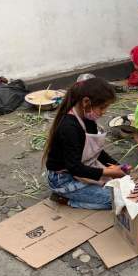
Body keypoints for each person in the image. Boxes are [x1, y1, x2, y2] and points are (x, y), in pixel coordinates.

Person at [44, 77, 125, 210]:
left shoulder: (88, 119)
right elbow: (74, 167)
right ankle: (65, 199)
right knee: (116, 200)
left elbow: (96, 152)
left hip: (81, 167)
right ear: (86, 102)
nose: (104, 112)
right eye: (102, 107)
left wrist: (118, 166)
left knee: (122, 188)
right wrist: (107, 172)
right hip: (63, 178)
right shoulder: (69, 127)